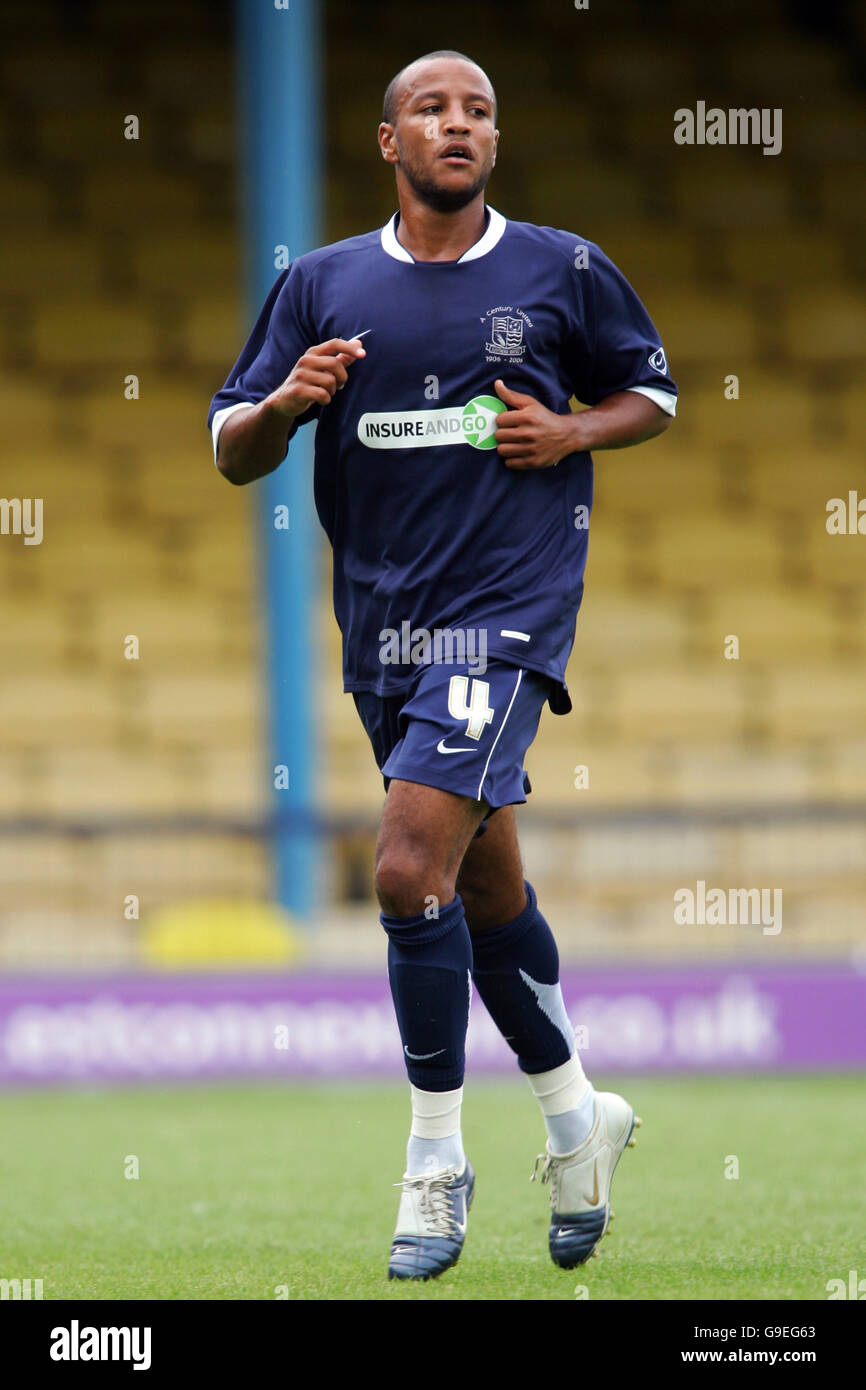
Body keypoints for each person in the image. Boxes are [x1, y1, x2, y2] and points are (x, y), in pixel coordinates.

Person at [208, 49, 675, 1282]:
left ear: (492, 139)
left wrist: (572, 426)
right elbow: (229, 448)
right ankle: (580, 1121)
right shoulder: (319, 285)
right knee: (478, 891)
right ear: (388, 141)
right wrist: (285, 407)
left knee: (407, 866)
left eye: (476, 111)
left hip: (505, 616)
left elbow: (653, 392)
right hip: (384, 633)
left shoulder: (560, 267)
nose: (457, 126)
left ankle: (431, 1159)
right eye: (432, 109)